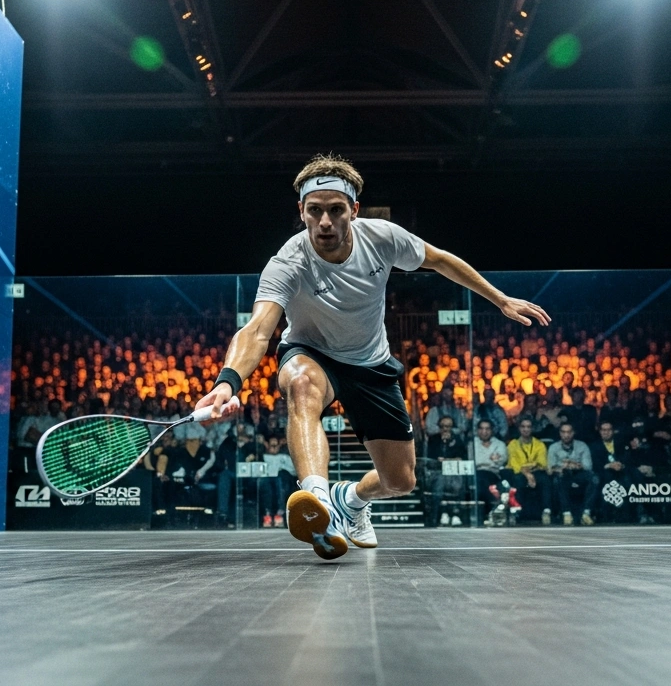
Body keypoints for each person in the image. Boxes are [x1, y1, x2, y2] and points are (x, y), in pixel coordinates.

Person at [194, 154, 550, 559]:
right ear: (301, 212)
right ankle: (319, 500)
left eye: (335, 210)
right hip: (312, 352)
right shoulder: (287, 262)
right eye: (315, 211)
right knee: (300, 382)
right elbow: (258, 330)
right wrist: (227, 382)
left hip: (371, 363)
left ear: (354, 211)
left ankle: (351, 499)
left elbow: (440, 260)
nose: (325, 222)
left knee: (400, 481)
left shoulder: (382, 238)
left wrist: (500, 300)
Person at [546, 423, 594, 526]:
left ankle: (586, 513)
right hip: (563, 474)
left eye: (569, 432)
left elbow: (588, 466)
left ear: (573, 433)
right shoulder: (553, 447)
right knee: (559, 479)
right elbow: (550, 468)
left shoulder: (582, 445)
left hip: (579, 474)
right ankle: (566, 513)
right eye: (563, 432)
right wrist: (564, 467)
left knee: (594, 478)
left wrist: (576, 465)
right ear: (560, 433)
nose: (566, 435)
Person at [424, 417, 469, 526]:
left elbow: (462, 458)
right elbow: (433, 459)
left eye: (448, 426)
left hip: (454, 473)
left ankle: (454, 513)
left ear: (452, 428)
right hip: (437, 473)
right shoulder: (433, 440)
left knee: (455, 480)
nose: (445, 429)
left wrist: (448, 449)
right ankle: (443, 513)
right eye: (443, 426)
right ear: (439, 427)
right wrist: (443, 444)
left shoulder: (458, 440)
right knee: (441, 479)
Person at [505, 417, 549, 523]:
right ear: (519, 428)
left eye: (528, 427)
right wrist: (527, 473)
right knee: (518, 479)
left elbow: (541, 463)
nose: (526, 429)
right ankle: (516, 513)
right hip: (519, 473)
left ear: (532, 429)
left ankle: (547, 511)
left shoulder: (539, 444)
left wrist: (528, 469)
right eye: (523, 427)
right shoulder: (513, 444)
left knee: (545, 479)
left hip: (536, 472)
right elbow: (514, 464)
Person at [471, 419, 508, 522]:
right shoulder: (472, 444)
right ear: (477, 430)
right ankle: (489, 512)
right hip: (475, 473)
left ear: (492, 430)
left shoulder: (500, 444)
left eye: (487, 429)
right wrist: (490, 459)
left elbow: (501, 461)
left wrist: (483, 461)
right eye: (482, 429)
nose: (484, 432)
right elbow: (474, 461)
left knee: (484, 480)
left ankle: (484, 514)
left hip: (493, 474)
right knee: (480, 480)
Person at [257, 435, 298, 528]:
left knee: (280, 481)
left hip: (281, 482)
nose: (274, 448)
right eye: (272, 445)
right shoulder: (262, 456)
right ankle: (267, 515)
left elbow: (294, 471)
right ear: (267, 445)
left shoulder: (283, 457)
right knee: (266, 483)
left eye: (276, 445)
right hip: (267, 482)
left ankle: (279, 514)